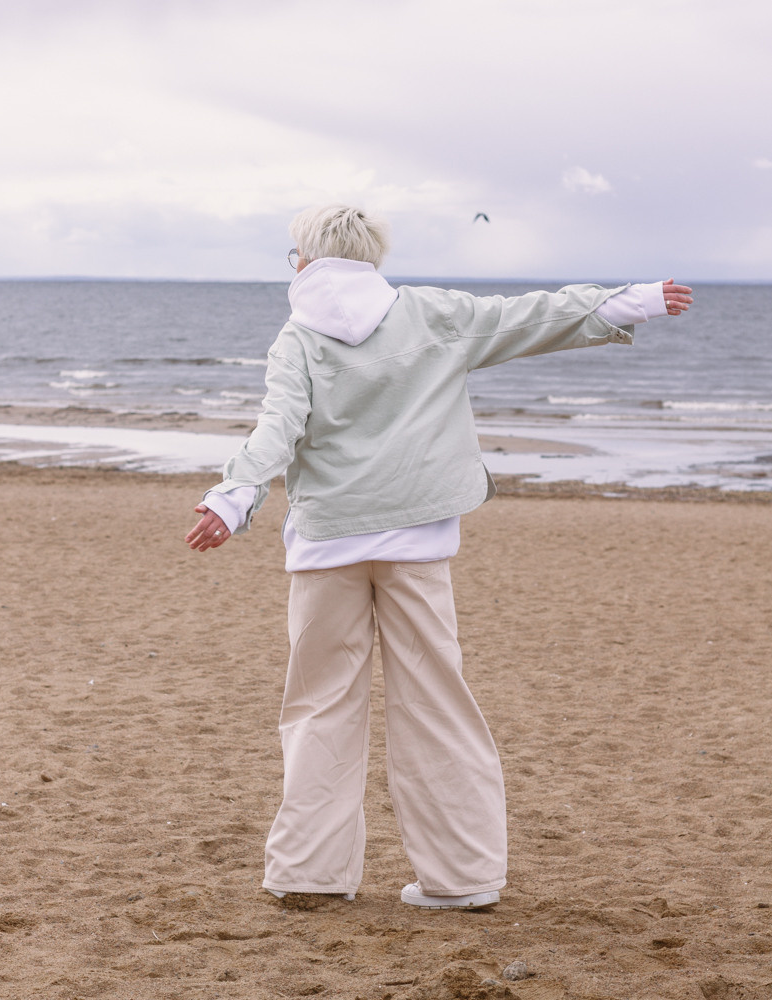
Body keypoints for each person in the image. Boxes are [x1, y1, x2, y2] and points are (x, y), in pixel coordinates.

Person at [185, 204, 693, 910]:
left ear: (305, 259)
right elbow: (524, 318)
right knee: (436, 703)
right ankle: (461, 880)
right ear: (371, 256)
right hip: (415, 540)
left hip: (328, 541)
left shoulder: (297, 337)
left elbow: (278, 427)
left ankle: (308, 875)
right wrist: (626, 301)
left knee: (319, 706)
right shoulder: (428, 312)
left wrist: (233, 498)